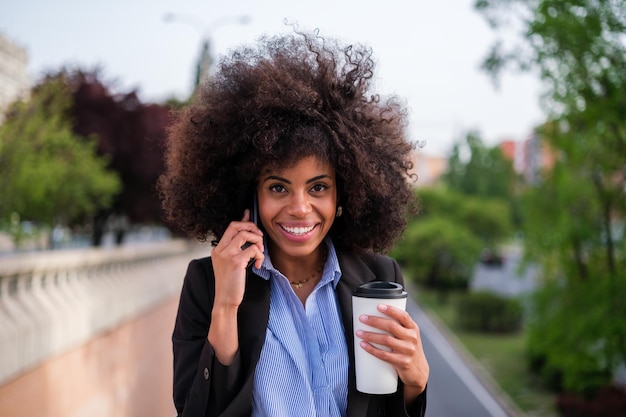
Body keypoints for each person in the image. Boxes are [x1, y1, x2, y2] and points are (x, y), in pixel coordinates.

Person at [158, 29, 429, 417]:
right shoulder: (206, 284)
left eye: (318, 187)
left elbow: (385, 408)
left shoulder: (378, 276)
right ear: (250, 194)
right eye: (278, 187)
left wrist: (415, 387)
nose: (300, 208)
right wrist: (226, 308)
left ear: (343, 196)